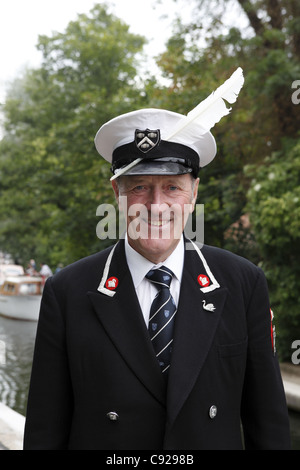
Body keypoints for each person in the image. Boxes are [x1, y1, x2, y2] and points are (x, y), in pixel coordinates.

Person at [23, 70, 291, 450]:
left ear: (194, 192)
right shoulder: (67, 292)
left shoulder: (242, 283)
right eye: (139, 187)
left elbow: (270, 427)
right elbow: (44, 432)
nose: (156, 205)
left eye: (172, 187)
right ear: (117, 192)